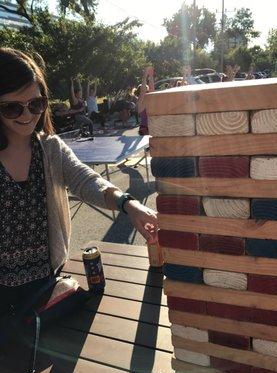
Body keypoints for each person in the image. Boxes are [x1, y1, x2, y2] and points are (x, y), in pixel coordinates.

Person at [0, 47, 158, 312]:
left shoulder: (50, 149)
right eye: (12, 108)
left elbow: (86, 181)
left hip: (47, 283)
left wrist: (129, 205)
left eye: (36, 104)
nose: (27, 116)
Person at [136, 66, 155, 135]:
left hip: (151, 127)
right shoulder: (140, 102)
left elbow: (152, 90)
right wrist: (145, 76)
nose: (147, 90)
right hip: (145, 128)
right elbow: (143, 91)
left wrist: (151, 76)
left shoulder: (149, 99)